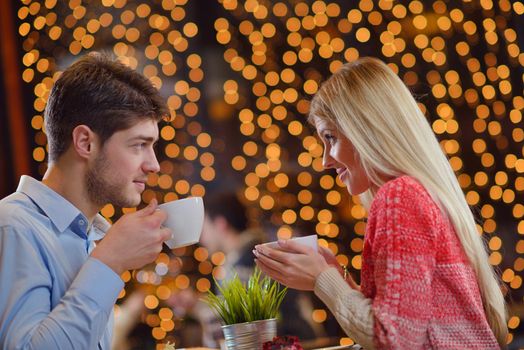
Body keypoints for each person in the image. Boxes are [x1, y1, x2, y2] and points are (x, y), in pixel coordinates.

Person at [254, 57, 507, 349]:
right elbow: (403, 325)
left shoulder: (399, 196)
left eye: (330, 137)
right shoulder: (419, 192)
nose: (325, 160)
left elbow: (394, 339)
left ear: (366, 129)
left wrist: (323, 279)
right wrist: (338, 279)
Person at [0, 52, 173, 349]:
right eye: (139, 145)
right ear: (85, 142)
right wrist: (110, 261)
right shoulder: (12, 227)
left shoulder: (93, 233)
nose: (154, 165)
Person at [169, 193, 319, 348]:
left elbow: (238, 327)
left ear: (221, 224)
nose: (202, 238)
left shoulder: (245, 265)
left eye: (204, 228)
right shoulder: (252, 254)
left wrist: (197, 306)